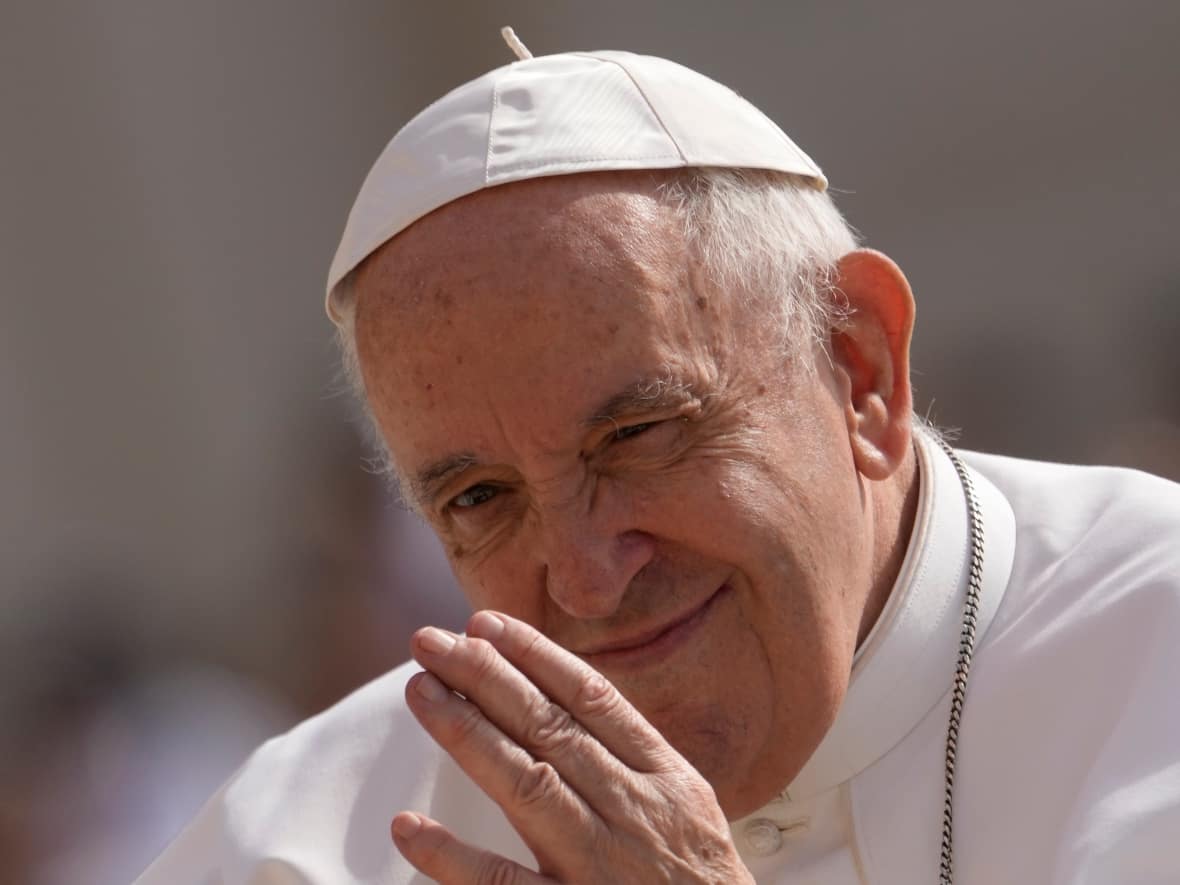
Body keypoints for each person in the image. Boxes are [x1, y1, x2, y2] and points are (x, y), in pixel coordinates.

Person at [136, 33, 1180, 885]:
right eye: (482, 497)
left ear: (858, 369)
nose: (589, 577)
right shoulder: (313, 836)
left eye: (634, 438)